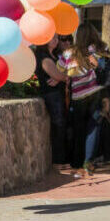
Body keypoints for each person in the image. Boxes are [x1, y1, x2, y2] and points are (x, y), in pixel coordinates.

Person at [60, 25, 105, 176]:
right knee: (93, 128)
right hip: (94, 93)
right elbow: (102, 67)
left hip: (78, 96)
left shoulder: (68, 53)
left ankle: (77, 165)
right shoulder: (95, 50)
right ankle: (88, 163)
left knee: (79, 130)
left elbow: (60, 68)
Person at [37, 35, 71, 165]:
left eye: (57, 38)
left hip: (60, 94)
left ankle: (62, 156)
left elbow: (63, 74)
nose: (56, 40)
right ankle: (58, 158)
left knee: (62, 125)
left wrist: (60, 77)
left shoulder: (56, 56)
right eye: (53, 38)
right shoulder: (45, 58)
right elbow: (58, 74)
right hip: (52, 95)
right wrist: (62, 77)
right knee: (58, 125)